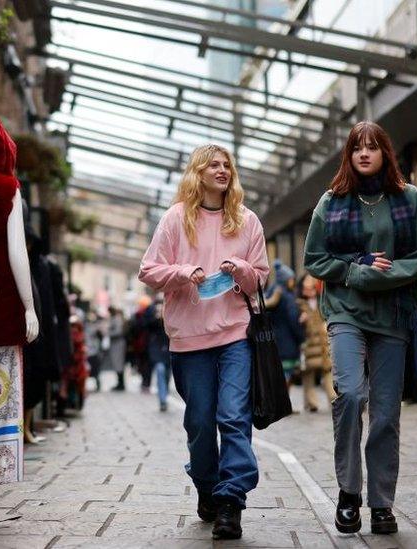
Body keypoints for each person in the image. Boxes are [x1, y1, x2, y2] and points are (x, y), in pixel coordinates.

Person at [304, 121, 417, 536]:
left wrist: (386, 275)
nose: (364, 153)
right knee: (351, 393)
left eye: (372, 147)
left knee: (385, 414)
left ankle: (381, 503)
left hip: (393, 317)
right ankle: (348, 491)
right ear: (349, 154)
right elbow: (315, 259)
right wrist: (356, 271)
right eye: (357, 147)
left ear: (384, 153)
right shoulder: (332, 201)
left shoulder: (409, 199)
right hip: (346, 312)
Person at [139, 144, 269, 540]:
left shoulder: (247, 221)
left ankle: (231, 500)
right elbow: (148, 270)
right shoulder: (176, 218)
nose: (222, 169)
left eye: (227, 164)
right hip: (189, 338)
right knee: (199, 424)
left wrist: (243, 269)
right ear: (198, 172)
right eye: (213, 164)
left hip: (235, 335)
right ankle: (206, 485)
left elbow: (261, 277)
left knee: (233, 417)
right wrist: (182, 272)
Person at [296, 274, 336, 412]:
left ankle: (333, 398)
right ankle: (310, 402)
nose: (309, 290)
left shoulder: (321, 301)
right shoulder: (299, 303)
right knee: (308, 373)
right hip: (308, 343)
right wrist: (300, 320)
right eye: (307, 288)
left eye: (312, 287)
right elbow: (294, 323)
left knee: (327, 370)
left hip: (322, 342)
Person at [265, 260, 305, 394]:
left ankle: (282, 403)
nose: (293, 282)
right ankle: (283, 403)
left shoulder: (271, 292)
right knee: (287, 373)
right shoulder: (287, 297)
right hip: (288, 341)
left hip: (274, 340)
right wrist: (301, 337)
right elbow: (293, 319)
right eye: (291, 279)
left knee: (280, 373)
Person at [145, 299, 171, 412]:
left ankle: (164, 394)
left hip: (170, 349)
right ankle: (163, 399)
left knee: (167, 375)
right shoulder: (151, 312)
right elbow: (145, 326)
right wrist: (156, 317)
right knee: (160, 371)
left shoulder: (171, 305)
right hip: (156, 349)